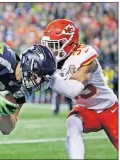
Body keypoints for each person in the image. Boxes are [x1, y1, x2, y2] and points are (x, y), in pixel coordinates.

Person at [41, 19, 118, 159]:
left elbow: (73, 90)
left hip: (110, 109)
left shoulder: (85, 57)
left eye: (54, 45)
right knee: (72, 123)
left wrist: (49, 77)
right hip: (86, 109)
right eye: (48, 46)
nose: (50, 50)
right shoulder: (56, 61)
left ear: (69, 43)